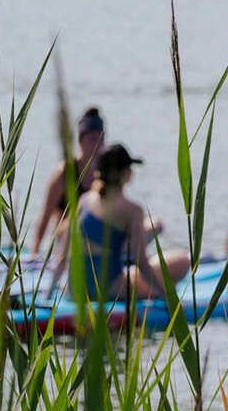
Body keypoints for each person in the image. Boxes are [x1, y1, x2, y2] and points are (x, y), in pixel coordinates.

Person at [50, 144, 191, 300]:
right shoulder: (132, 210)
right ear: (126, 173)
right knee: (182, 261)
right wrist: (166, 295)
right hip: (108, 290)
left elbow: (62, 258)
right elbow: (142, 263)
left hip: (75, 289)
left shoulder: (84, 201)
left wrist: (47, 296)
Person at [33, 107, 107, 250]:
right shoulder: (64, 172)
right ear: (81, 140)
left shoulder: (105, 172)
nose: (98, 144)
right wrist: (35, 251)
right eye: (93, 139)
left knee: (154, 224)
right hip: (68, 236)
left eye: (101, 138)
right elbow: (45, 216)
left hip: (98, 237)